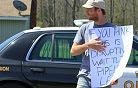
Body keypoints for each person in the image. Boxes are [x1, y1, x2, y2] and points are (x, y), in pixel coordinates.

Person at [70, 0, 118, 88]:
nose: (87, 12)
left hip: (104, 79)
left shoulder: (114, 30)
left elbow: (120, 56)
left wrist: (116, 75)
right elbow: (73, 51)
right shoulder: (84, 28)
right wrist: (88, 45)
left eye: (90, 10)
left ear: (99, 10)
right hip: (85, 76)